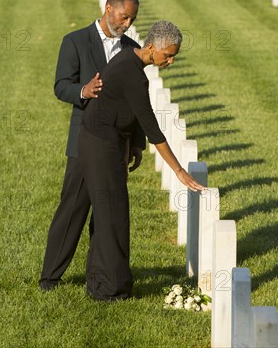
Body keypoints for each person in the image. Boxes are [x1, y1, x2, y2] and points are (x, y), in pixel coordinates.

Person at [79, 20, 205, 301]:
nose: (170, 61)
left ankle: (99, 284)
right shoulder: (133, 74)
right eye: (167, 55)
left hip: (105, 141)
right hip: (101, 145)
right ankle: (112, 289)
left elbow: (126, 111)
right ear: (151, 47)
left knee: (107, 213)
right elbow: (150, 126)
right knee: (113, 215)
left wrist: (133, 146)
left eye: (174, 56)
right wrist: (178, 171)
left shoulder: (130, 60)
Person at [39, 0, 145, 291]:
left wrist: (137, 143)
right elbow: (61, 86)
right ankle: (50, 277)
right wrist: (83, 91)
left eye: (131, 19)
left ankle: (100, 277)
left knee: (107, 213)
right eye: (123, 16)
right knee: (72, 209)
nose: (126, 24)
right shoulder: (75, 41)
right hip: (83, 141)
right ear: (108, 8)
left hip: (116, 146)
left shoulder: (132, 49)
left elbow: (137, 101)